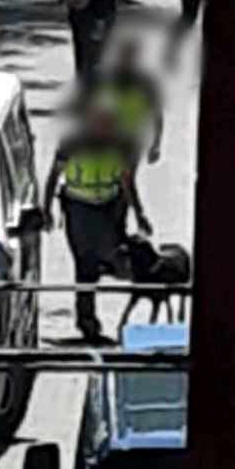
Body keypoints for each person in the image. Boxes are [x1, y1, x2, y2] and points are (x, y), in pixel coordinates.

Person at [43, 97, 148, 343]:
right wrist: (46, 209)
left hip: (110, 208)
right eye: (102, 122)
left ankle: (108, 272)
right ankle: (87, 321)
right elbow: (53, 176)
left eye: (111, 123)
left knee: (117, 256)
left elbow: (127, 180)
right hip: (79, 210)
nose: (106, 127)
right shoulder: (73, 143)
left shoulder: (121, 144)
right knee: (84, 266)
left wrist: (139, 213)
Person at [93, 41, 163, 173]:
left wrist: (156, 143)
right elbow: (92, 108)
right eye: (124, 54)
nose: (127, 59)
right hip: (107, 138)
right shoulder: (106, 78)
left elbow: (157, 114)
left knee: (127, 179)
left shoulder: (146, 83)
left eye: (131, 55)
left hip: (131, 139)